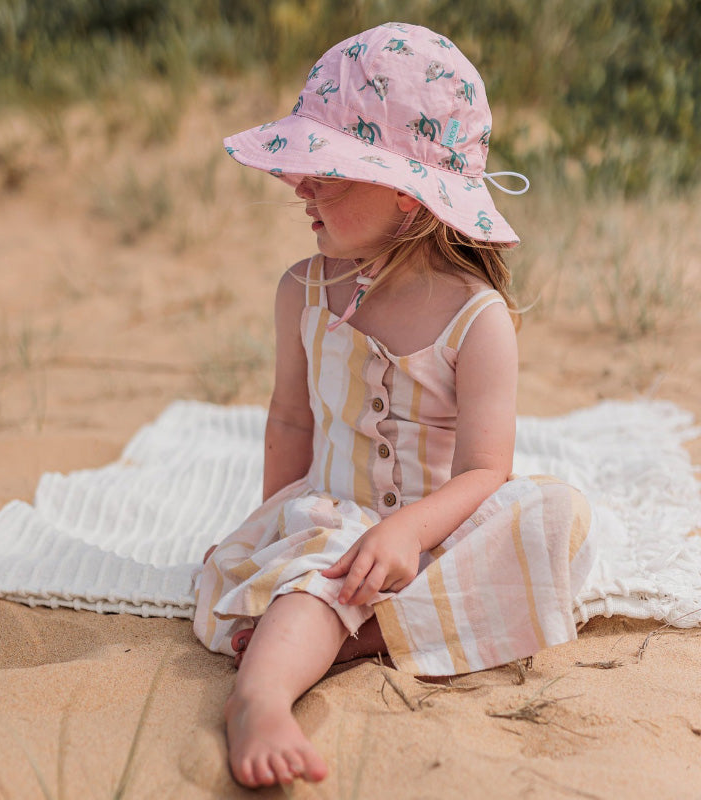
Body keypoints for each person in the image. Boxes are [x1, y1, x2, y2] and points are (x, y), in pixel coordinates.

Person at [193, 22, 595, 789]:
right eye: (306, 167)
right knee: (318, 572)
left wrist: (411, 527)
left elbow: (485, 471)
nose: (299, 186)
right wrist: (272, 527)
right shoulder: (304, 290)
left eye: (329, 172)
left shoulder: (477, 321)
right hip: (337, 522)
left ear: (412, 202)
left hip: (437, 531)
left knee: (557, 520)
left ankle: (361, 634)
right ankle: (263, 698)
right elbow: (290, 419)